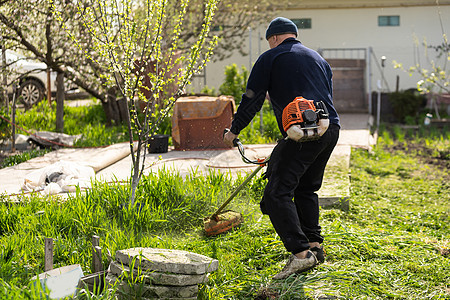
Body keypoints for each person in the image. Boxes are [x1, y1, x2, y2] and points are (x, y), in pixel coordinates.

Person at [223, 17, 340, 279]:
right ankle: (314, 246)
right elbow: (328, 96)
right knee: (306, 188)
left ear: (273, 38)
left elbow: (251, 98)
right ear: (294, 36)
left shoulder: (271, 57)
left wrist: (234, 131)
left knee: (276, 194)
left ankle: (300, 255)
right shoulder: (319, 59)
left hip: (302, 133)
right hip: (330, 129)